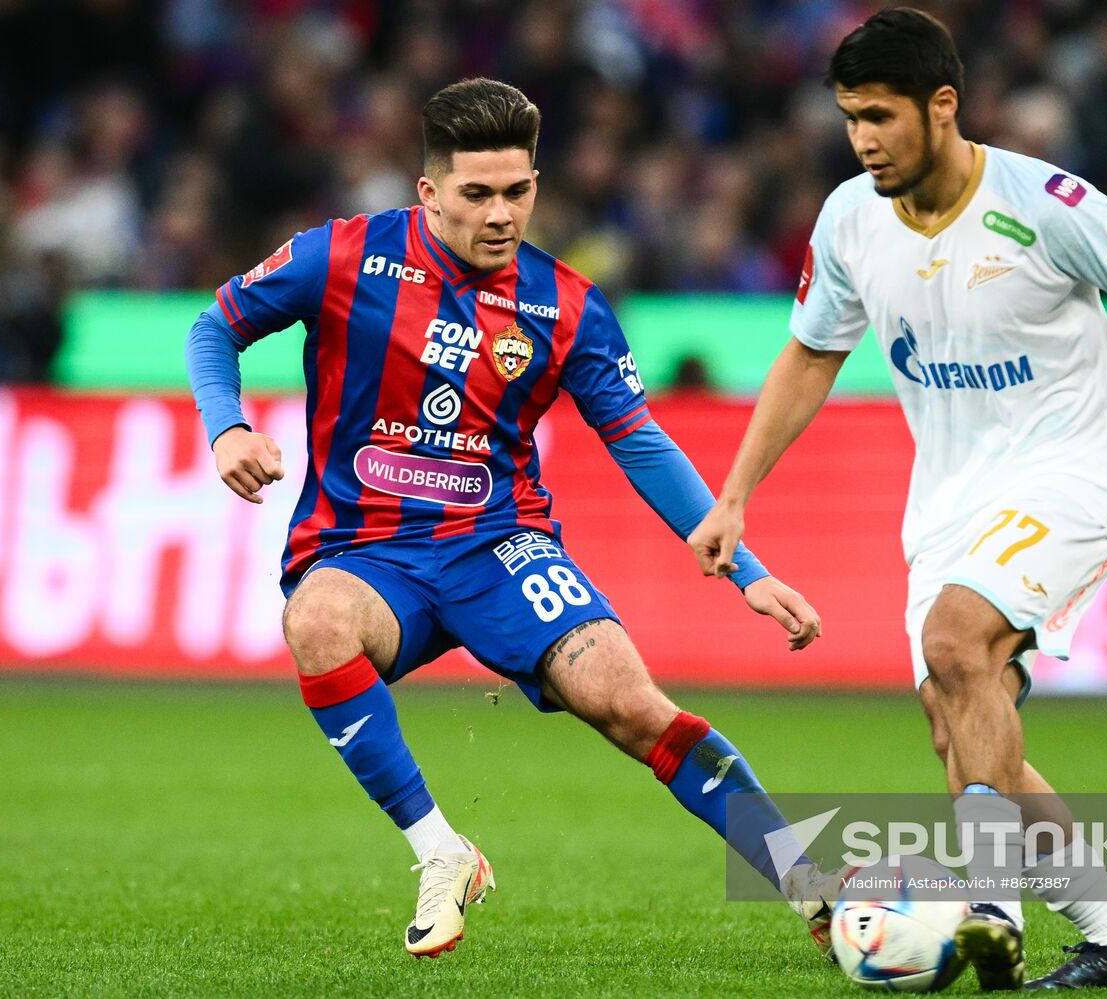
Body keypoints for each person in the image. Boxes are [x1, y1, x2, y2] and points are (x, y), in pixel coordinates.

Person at [688, 9, 1107, 992]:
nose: (860, 138)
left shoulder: (1044, 202)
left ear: (940, 106)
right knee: (958, 718)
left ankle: (987, 901)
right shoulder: (849, 219)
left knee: (957, 642)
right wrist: (734, 493)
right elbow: (812, 353)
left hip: (1077, 468)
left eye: (878, 116)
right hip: (949, 495)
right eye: (847, 118)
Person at [186, 78, 838, 960]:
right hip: (366, 550)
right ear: (428, 192)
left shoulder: (566, 305)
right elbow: (213, 328)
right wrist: (225, 425)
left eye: (518, 191)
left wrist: (746, 566)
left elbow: (636, 440)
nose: (501, 214)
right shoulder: (341, 257)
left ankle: (818, 888)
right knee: (317, 621)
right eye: (477, 193)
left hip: (501, 546)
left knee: (630, 703)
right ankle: (442, 853)